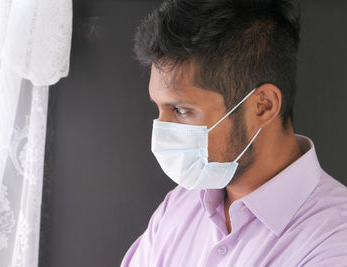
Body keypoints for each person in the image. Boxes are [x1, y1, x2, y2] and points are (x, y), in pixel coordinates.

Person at [121, 0, 347, 266]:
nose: (162, 131)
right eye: (159, 109)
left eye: (181, 110)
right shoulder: (182, 203)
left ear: (262, 106)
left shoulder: (333, 241)